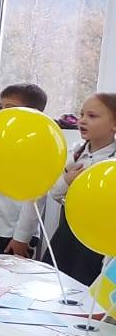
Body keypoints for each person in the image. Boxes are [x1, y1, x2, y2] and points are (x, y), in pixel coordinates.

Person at [0, 83, 49, 258]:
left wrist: (21, 237)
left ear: (33, 113)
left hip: (14, 233)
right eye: (1, 108)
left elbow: (35, 198)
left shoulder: (38, 148)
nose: (2, 114)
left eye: (10, 108)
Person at [44, 92, 116, 285]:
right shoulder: (74, 154)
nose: (82, 120)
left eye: (92, 116)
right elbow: (55, 194)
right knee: (56, 282)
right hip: (68, 234)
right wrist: (67, 180)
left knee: (89, 287)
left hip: (100, 239)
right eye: (82, 114)